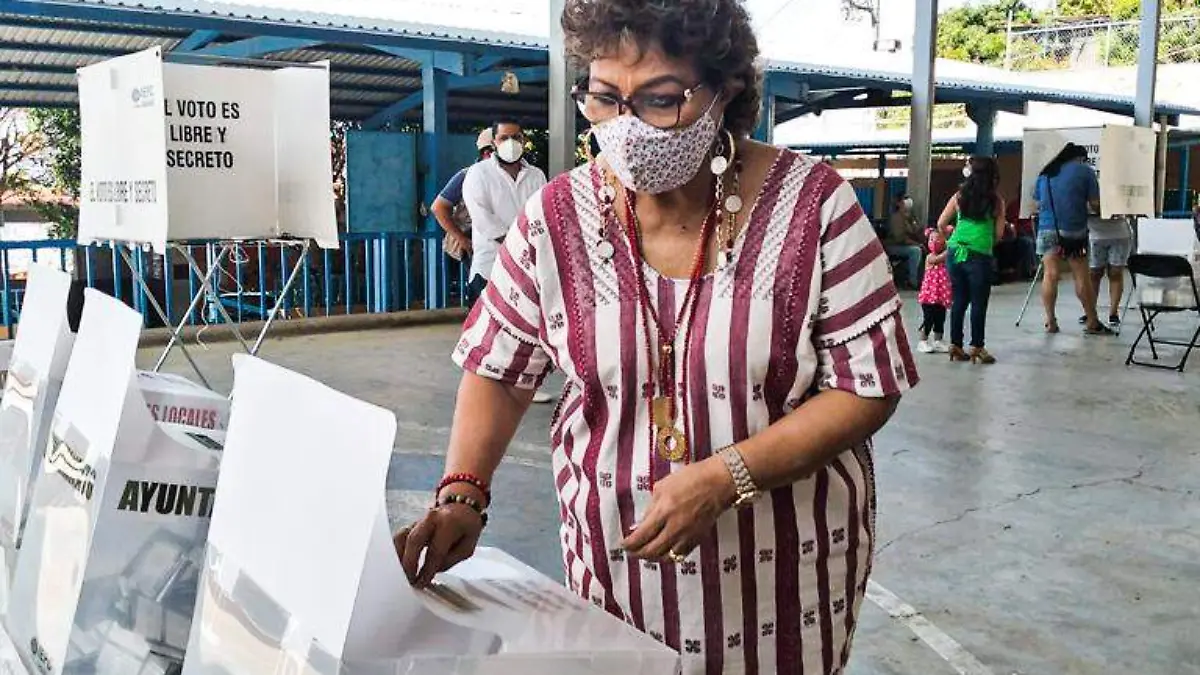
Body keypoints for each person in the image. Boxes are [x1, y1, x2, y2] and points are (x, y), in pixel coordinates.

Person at [394, 1, 919, 673]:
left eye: (661, 99)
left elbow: (867, 387)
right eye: (605, 98)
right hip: (613, 575)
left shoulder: (814, 208)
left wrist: (728, 475)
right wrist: (463, 490)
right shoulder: (556, 219)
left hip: (780, 585)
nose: (628, 126)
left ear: (726, 89)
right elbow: (499, 367)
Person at [460, 119, 550, 403]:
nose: (511, 143)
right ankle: (480, 395)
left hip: (528, 269)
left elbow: (541, 213)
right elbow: (483, 220)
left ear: (523, 140)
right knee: (488, 334)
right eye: (504, 137)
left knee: (524, 332)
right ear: (494, 142)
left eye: (516, 137)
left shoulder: (536, 175)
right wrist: (518, 243)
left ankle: (522, 388)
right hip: (490, 266)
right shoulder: (478, 174)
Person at [1033, 143, 1112, 335]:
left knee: (1050, 275)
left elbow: (1037, 203)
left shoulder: (1045, 174)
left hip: (1047, 228)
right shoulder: (1085, 171)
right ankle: (1092, 321)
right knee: (1081, 274)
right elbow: (1095, 203)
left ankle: (1051, 321)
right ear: (1080, 158)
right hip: (1074, 230)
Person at [937, 156, 1007, 365]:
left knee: (959, 300)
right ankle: (977, 346)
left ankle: (955, 345)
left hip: (955, 251)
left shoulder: (959, 196)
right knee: (978, 302)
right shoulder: (996, 201)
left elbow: (941, 223)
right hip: (979, 254)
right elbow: (999, 234)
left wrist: (952, 239)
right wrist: (984, 239)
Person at [432, 128, 494, 264]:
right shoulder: (467, 175)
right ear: (487, 153)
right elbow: (438, 208)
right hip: (473, 240)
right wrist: (461, 239)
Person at [1086, 215, 1132, 327]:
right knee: (1094, 274)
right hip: (1095, 233)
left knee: (1115, 273)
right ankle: (1090, 311)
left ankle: (1113, 312)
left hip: (1119, 233)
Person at [916, 227, 952, 354]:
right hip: (929, 296)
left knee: (940, 318)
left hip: (941, 295)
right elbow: (938, 259)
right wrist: (949, 249)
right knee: (928, 318)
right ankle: (922, 341)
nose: (934, 242)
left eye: (938, 239)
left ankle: (938, 341)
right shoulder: (929, 257)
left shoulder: (946, 259)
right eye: (931, 239)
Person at [885, 193, 925, 289]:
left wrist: (913, 220)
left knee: (922, 250)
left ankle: (919, 278)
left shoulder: (908, 217)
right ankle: (912, 281)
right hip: (894, 246)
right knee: (915, 251)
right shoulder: (896, 217)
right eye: (904, 201)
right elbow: (900, 238)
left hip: (906, 245)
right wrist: (917, 244)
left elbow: (917, 232)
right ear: (899, 203)